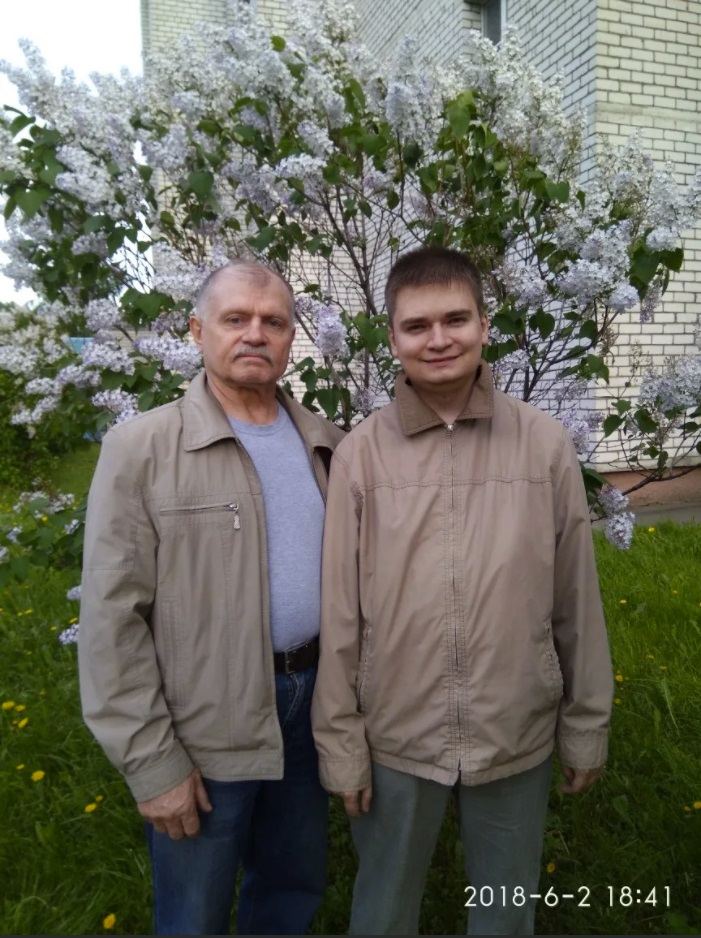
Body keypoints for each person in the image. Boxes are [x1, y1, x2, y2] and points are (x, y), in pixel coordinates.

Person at [311, 246, 614, 935]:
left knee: (505, 913)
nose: (438, 339)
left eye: (455, 319)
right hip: (395, 734)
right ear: (392, 339)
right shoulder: (361, 454)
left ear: (484, 324)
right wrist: (341, 742)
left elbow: (576, 598)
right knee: (383, 910)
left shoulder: (543, 445)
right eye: (416, 326)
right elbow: (340, 613)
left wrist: (585, 723)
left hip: (515, 725)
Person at [78, 259, 345, 936]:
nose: (255, 333)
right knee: (193, 914)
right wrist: (152, 763)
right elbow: (111, 620)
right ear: (198, 332)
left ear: (290, 339)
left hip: (310, 706)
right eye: (235, 319)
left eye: (273, 322)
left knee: (291, 890)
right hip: (202, 724)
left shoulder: (327, 444)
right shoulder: (141, 449)